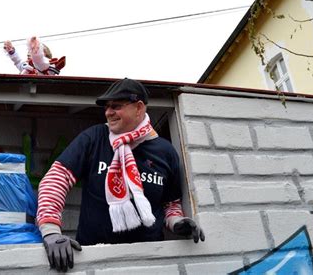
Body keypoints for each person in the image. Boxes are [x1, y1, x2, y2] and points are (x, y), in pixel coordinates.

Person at [36, 78, 205, 272]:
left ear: (139, 108)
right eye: (107, 107)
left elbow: (170, 203)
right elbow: (56, 179)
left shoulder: (166, 151)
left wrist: (177, 223)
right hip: (93, 261)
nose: (108, 112)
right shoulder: (94, 137)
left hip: (150, 263)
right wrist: (50, 231)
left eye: (116, 106)